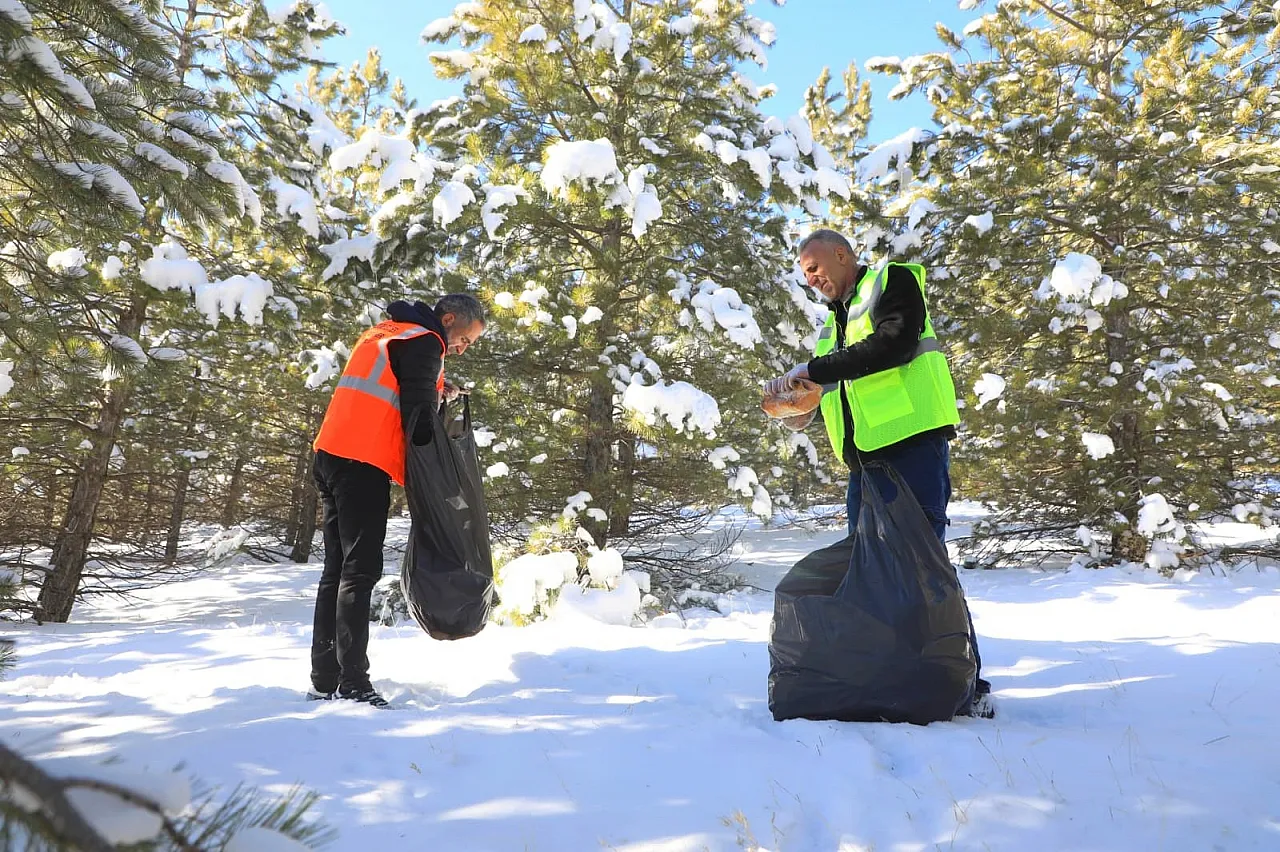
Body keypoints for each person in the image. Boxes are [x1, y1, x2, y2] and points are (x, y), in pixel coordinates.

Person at [766, 229, 992, 717]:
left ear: (843, 255)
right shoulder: (834, 326)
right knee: (874, 569)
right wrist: (801, 407)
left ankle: (963, 684)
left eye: (815, 267)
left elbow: (894, 343)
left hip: (911, 448)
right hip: (865, 463)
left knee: (925, 565)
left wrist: (815, 370)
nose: (811, 279)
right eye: (804, 274)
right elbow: (840, 388)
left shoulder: (892, 282)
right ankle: (893, 677)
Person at [307, 293, 486, 707]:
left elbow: (392, 386)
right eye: (465, 338)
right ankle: (353, 681)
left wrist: (439, 386)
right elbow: (417, 418)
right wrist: (434, 478)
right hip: (362, 463)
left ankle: (324, 677)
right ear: (449, 318)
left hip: (331, 454)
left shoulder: (386, 333)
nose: (462, 347)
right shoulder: (426, 342)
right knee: (360, 571)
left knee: (336, 570)